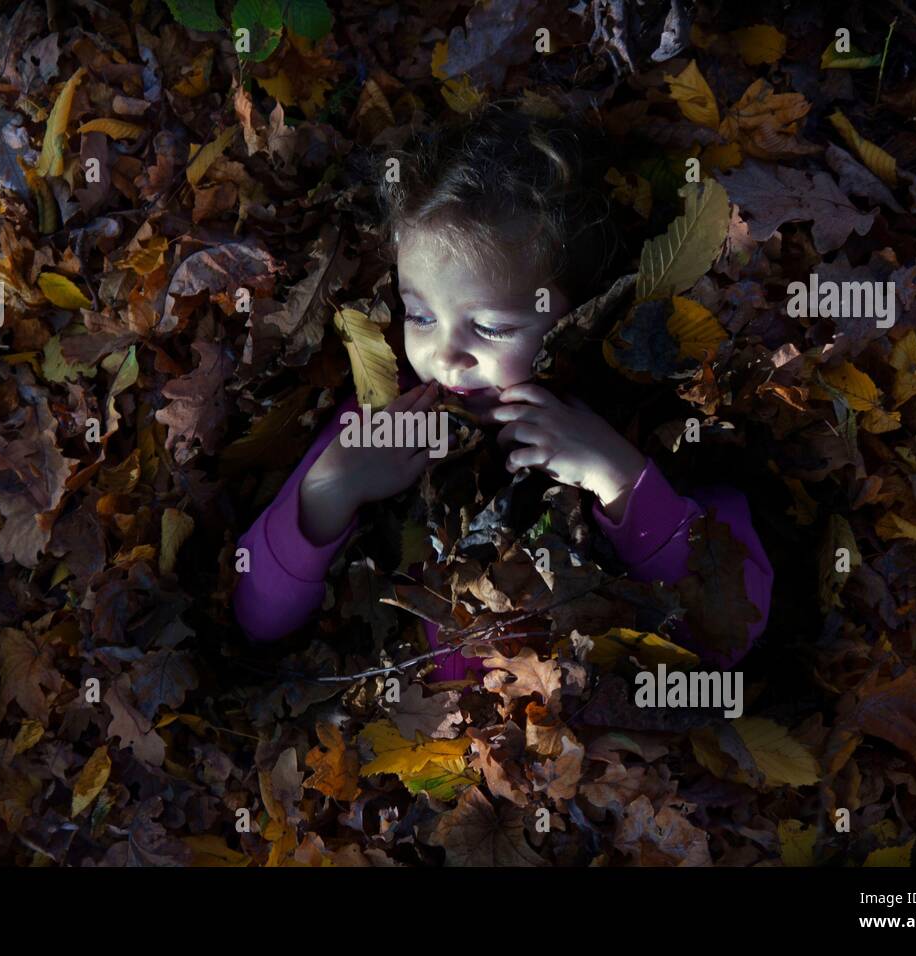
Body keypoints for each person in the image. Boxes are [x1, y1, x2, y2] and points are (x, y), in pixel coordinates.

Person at [233, 102, 773, 681]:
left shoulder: (642, 425)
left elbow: (728, 637)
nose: (444, 355)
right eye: (419, 315)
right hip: (417, 743)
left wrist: (622, 483)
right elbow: (258, 622)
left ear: (583, 314)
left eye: (490, 327)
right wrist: (327, 493)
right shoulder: (380, 430)